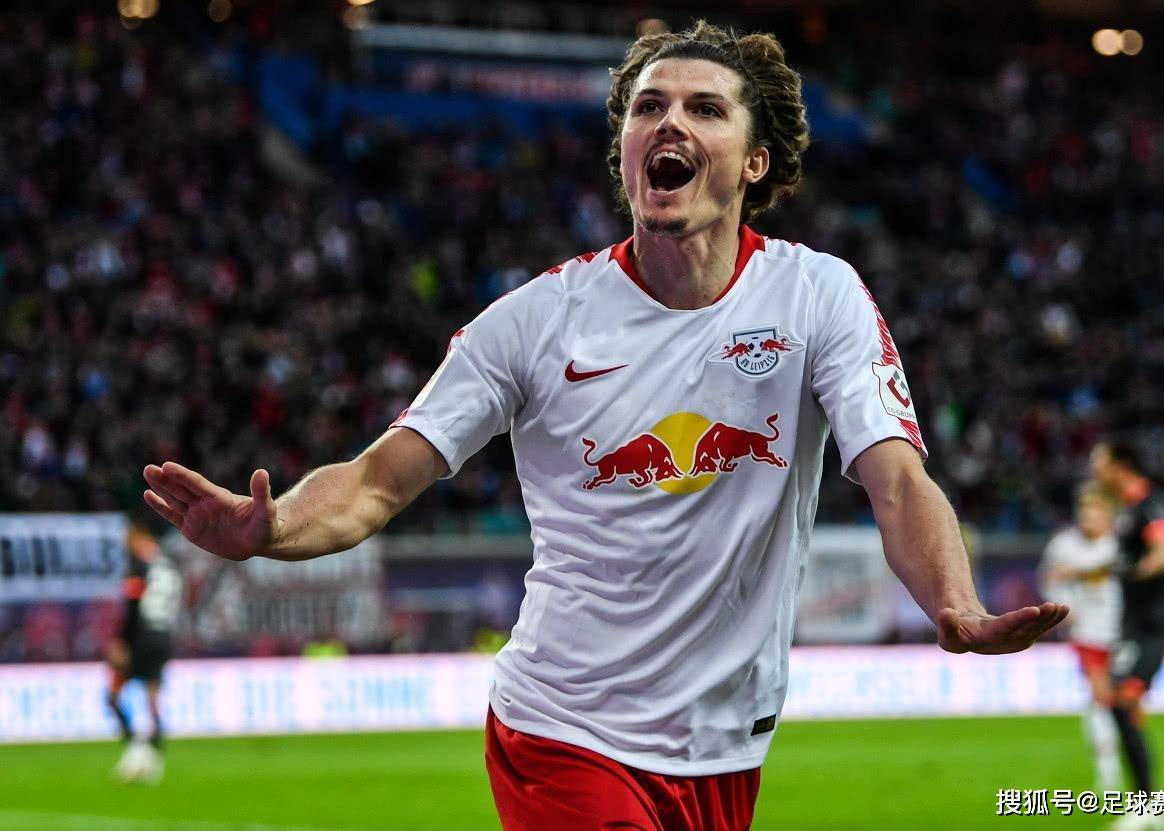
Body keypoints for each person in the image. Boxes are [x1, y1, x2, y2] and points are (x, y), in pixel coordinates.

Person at [141, 21, 1067, 830]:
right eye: (647, 107)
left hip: (725, 747)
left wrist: (953, 601)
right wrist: (273, 526)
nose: (669, 123)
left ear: (755, 161)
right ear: (623, 149)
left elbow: (895, 477)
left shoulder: (817, 295)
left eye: (704, 108)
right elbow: (378, 480)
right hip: (562, 731)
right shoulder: (534, 323)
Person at [1090, 441, 1164, 831]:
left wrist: (1129, 573)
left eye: (1099, 461)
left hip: (1155, 623)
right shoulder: (1126, 510)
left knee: (1123, 699)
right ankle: (1149, 803)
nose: (1094, 469)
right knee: (1119, 703)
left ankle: (1149, 804)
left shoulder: (1151, 505)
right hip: (1133, 624)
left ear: (1120, 465)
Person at [1039, 485, 1123, 791]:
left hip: (1125, 630)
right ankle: (1108, 769)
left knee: (1125, 699)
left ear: (1108, 516)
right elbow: (1048, 579)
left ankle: (1124, 762)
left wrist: (1074, 572)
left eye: (1094, 513)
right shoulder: (1063, 545)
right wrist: (1064, 609)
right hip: (1089, 631)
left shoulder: (1119, 545)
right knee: (1101, 695)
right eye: (1083, 513)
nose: (1087, 519)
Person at [104, 517, 183, 783]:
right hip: (163, 637)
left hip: (140, 638)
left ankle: (135, 750)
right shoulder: (168, 565)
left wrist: (121, 641)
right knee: (153, 701)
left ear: (138, 533)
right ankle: (154, 759)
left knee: (113, 696)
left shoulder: (139, 565)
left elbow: (132, 607)